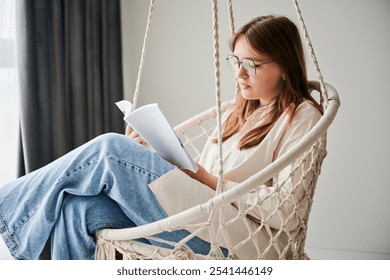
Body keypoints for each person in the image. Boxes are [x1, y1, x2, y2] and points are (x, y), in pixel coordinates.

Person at [0, 15, 323, 260]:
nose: (238, 74)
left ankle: (6, 208)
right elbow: (203, 175)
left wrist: (205, 178)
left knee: (110, 149)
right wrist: (159, 153)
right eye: (235, 62)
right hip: (197, 213)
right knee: (79, 209)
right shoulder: (238, 113)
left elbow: (284, 210)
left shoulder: (302, 117)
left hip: (237, 238)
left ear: (284, 66)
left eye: (251, 64)